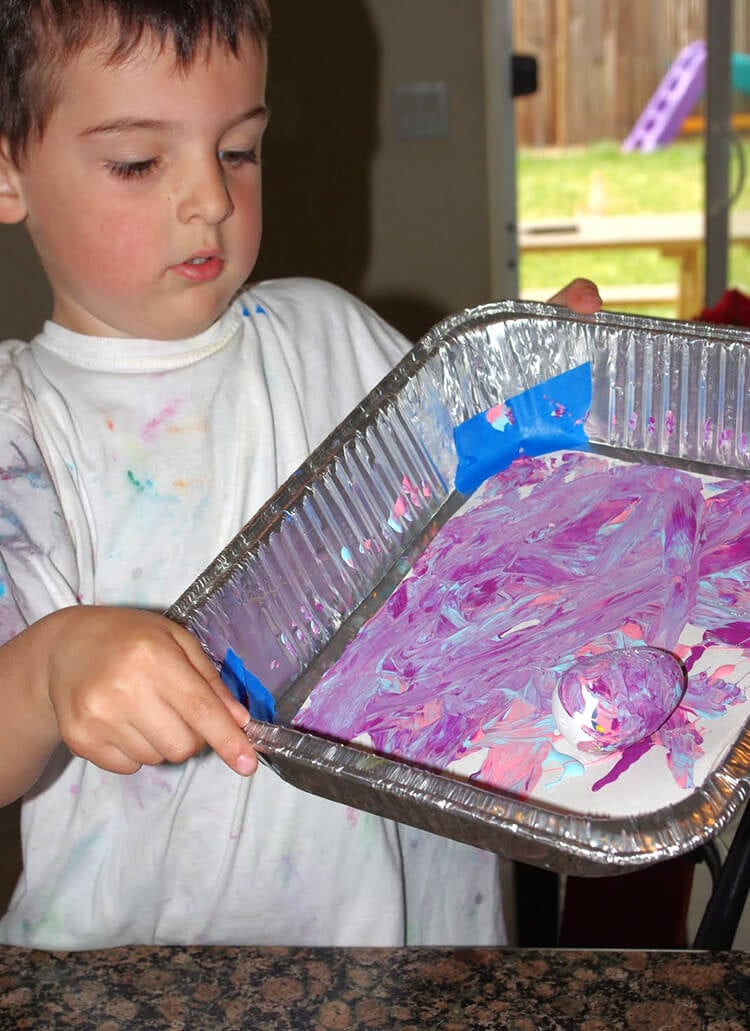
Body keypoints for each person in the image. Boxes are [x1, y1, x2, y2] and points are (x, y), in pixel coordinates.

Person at [0, 0, 601, 950]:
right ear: (7, 168)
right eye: (138, 163)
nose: (210, 197)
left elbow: (486, 508)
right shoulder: (19, 432)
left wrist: (543, 395)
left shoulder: (332, 337)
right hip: (153, 982)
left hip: (421, 955)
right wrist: (45, 674)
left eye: (238, 149)